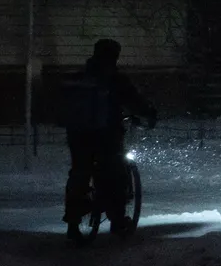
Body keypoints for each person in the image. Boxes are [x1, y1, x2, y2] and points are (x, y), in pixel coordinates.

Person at [58, 38, 157, 239]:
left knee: (80, 172)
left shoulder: (80, 77)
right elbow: (135, 101)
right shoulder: (116, 79)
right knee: (115, 172)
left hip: (78, 134)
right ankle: (118, 220)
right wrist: (149, 113)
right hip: (106, 134)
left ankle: (73, 222)